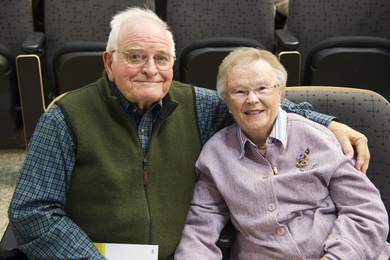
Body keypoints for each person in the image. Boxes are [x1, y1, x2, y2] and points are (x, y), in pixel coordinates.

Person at [8, 7, 370, 260]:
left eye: (162, 58)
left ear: (172, 64)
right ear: (109, 61)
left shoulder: (198, 104)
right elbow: (32, 212)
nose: (151, 69)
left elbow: (256, 105)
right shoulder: (65, 117)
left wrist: (327, 123)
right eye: (135, 56)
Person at [174, 48, 390, 259]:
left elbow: (366, 211)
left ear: (279, 92)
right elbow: (201, 227)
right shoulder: (215, 154)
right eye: (239, 91)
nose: (252, 99)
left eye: (262, 88)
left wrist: (337, 256)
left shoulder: (319, 137)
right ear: (227, 101)